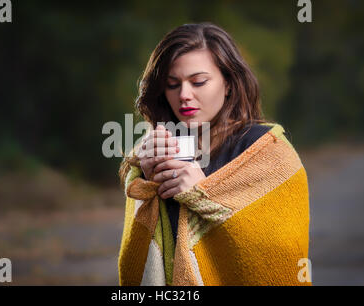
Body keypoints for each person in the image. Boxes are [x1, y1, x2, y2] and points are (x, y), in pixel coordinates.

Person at [117, 22, 311, 286]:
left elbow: (280, 257)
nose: (184, 95)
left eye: (198, 82)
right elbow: (134, 263)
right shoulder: (154, 149)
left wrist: (204, 193)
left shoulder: (270, 153)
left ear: (229, 83)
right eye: (173, 85)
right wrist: (148, 186)